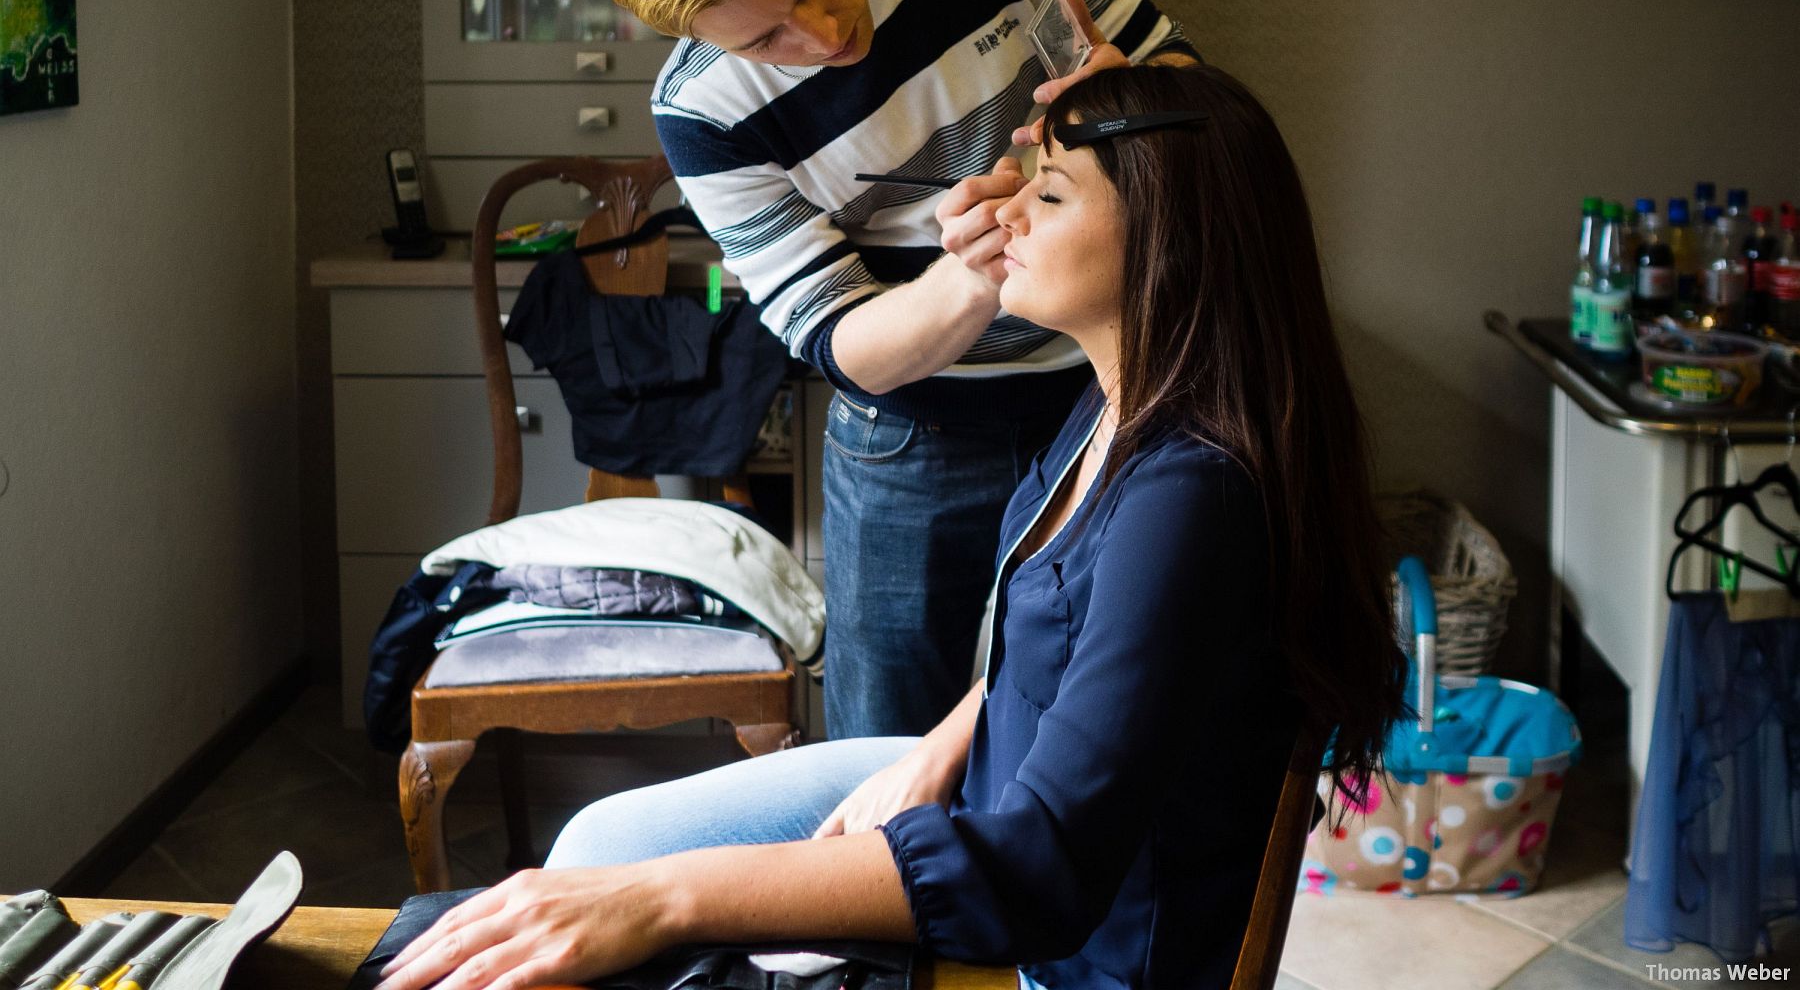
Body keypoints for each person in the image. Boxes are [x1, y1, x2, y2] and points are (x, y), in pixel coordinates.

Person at [372, 64, 1411, 990]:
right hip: (983, 794)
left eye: (1048, 192)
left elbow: (1041, 869)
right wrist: (939, 750)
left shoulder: (1189, 502)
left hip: (1056, 953)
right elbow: (1070, 665)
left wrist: (664, 901)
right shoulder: (1110, 402)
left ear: (1172, 240)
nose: (1003, 215)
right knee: (603, 840)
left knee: (622, 895)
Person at [573, 0, 1201, 738]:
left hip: (1112, 391)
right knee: (886, 758)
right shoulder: (701, 108)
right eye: (766, 41)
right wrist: (978, 272)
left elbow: (1179, 78)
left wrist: (1140, 103)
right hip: (914, 438)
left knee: (1119, 723)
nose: (824, 37)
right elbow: (846, 346)